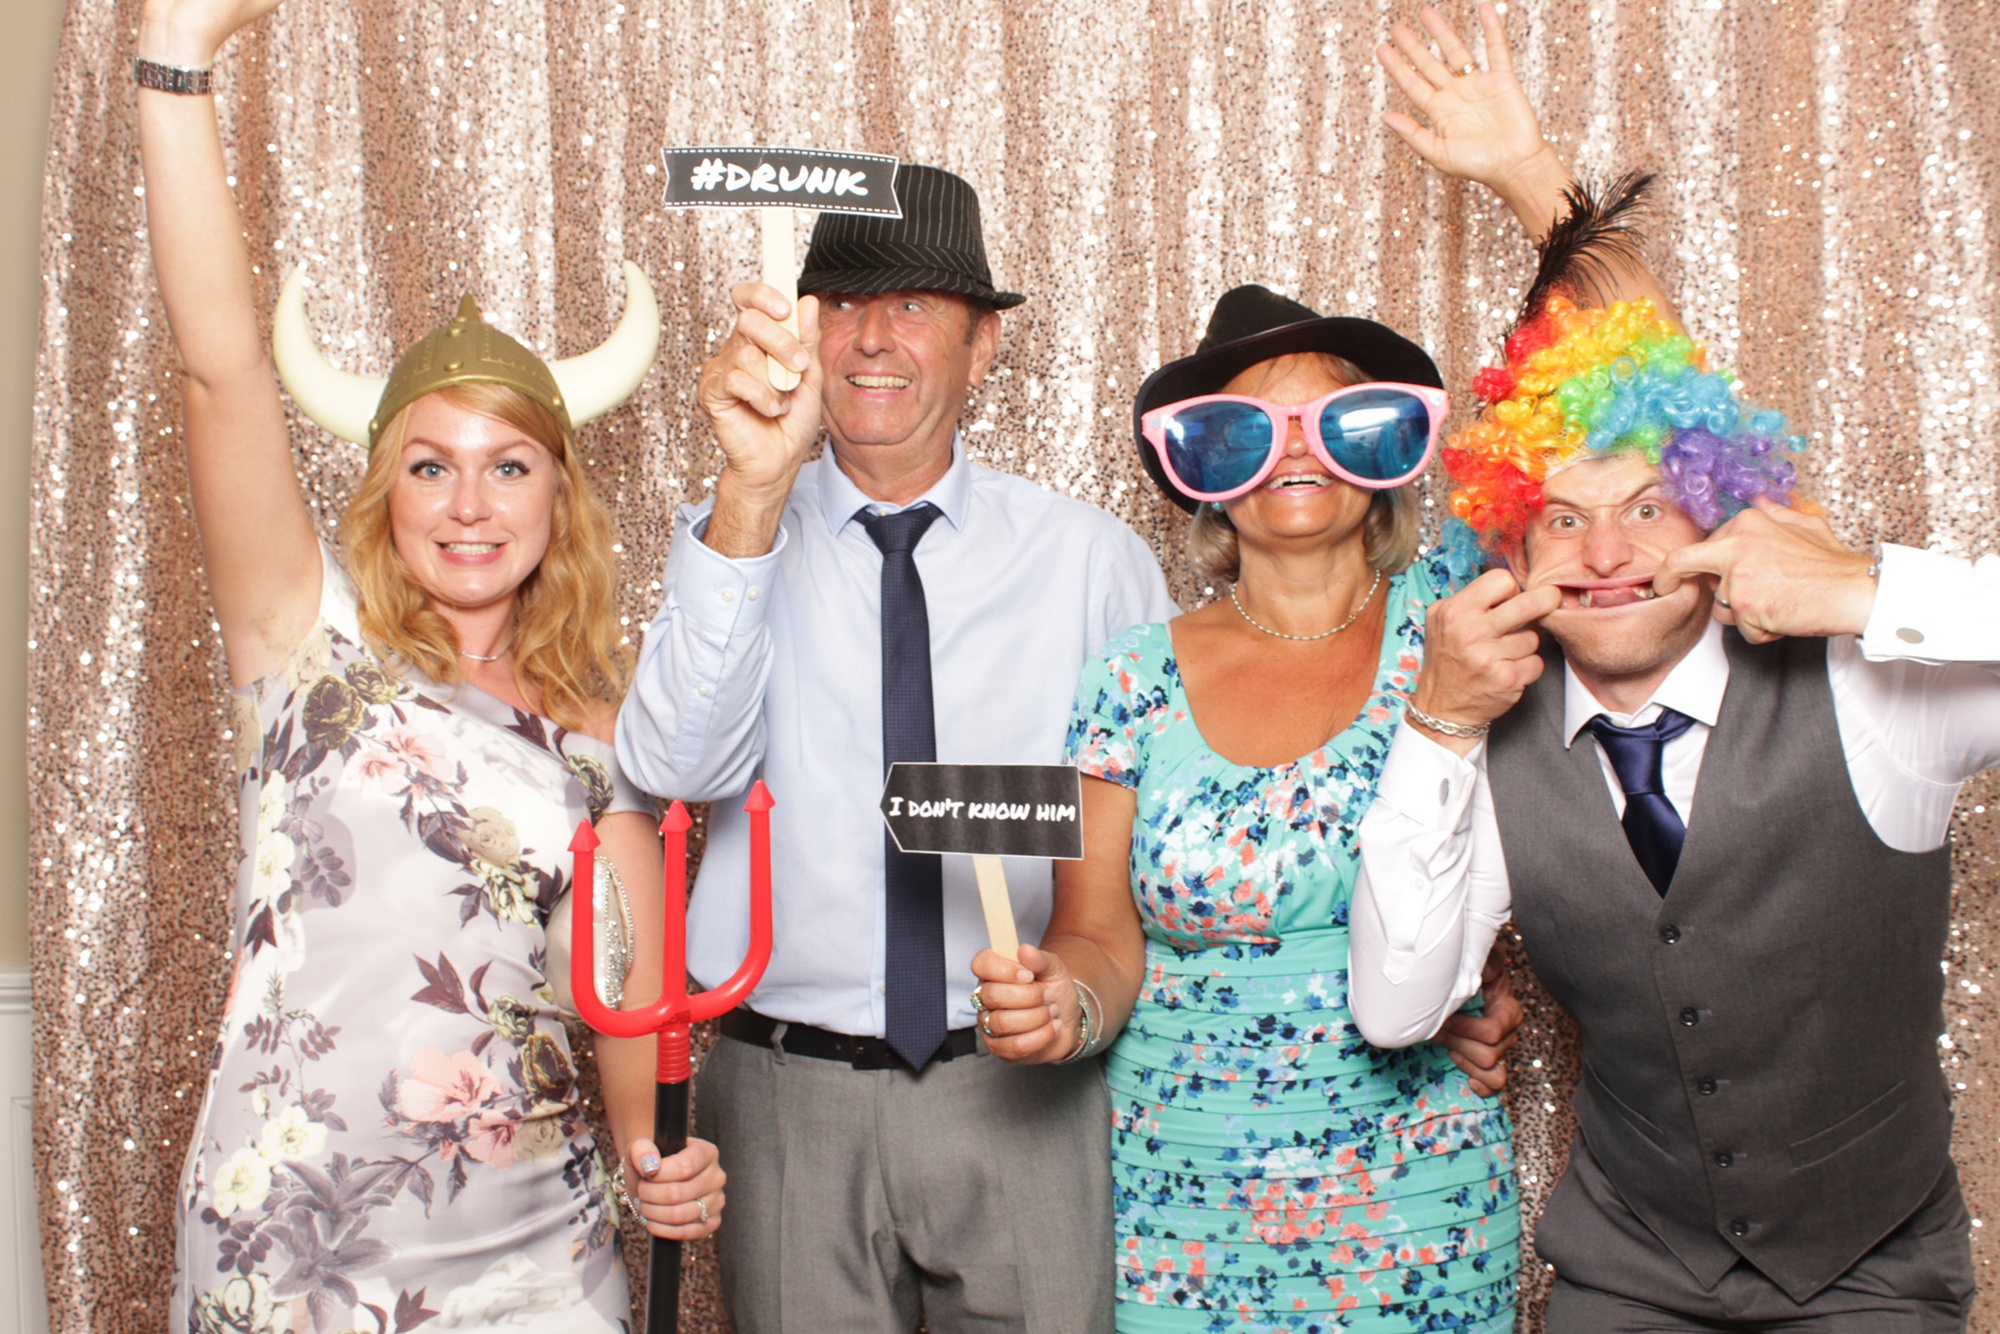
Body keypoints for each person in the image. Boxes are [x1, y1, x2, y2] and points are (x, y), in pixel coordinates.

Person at [968, 9, 1630, 1327]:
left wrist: (1531, 178)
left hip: (1417, 1211)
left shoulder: (1464, 610)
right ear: (1197, 469)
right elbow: (1101, 939)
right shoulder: (1130, 682)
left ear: (1392, 442)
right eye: (1242, 430)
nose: (1294, 453)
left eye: (1339, 417)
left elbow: (1632, 417)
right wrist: (1063, 1002)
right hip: (1186, 1215)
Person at [137, 0, 722, 1327]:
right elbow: (221, 375)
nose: (470, 504)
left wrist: (663, 1167)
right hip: (285, 1243)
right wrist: (175, 62)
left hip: (531, 1260)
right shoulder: (302, 637)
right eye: (430, 465)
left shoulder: (610, 732)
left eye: (508, 465)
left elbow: (627, 1017)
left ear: (556, 496)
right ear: (383, 490)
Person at [1347, 182, 2000, 1330]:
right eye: (1559, 516)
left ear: (1718, 517)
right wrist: (1436, 723)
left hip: (1870, 1270)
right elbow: (1397, 1008)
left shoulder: (1871, 687)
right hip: (1627, 1268)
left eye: (1648, 507)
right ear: (1511, 547)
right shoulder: (1496, 747)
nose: (1604, 551)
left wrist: (1862, 586)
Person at [614, 163, 1174, 1332]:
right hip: (782, 1093)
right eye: (839, 304)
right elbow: (675, 766)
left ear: (981, 349)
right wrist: (750, 495)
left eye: (913, 303)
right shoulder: (728, 536)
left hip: (1018, 1087)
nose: (870, 337)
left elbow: (1163, 835)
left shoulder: (1090, 561)